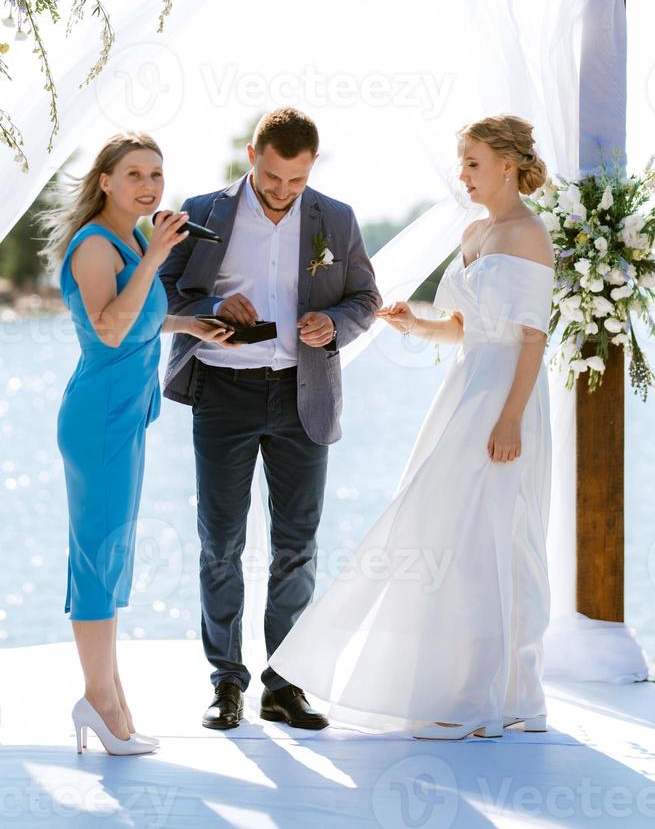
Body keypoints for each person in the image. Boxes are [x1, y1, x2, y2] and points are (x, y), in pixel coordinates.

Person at [269, 114, 555, 740]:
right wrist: (414, 324)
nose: (464, 175)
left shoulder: (530, 234)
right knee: (442, 527)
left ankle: (494, 692)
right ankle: (455, 684)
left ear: (507, 164)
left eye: (473, 163)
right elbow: (461, 325)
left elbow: (532, 337)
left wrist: (510, 419)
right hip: (464, 387)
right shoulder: (476, 233)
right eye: (464, 163)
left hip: (505, 396)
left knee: (492, 535)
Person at [160, 107, 382, 731]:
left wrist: (331, 324)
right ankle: (225, 683)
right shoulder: (203, 211)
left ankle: (284, 686)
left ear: (312, 167)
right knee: (220, 542)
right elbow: (159, 292)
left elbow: (365, 298)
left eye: (297, 181)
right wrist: (209, 305)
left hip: (301, 396)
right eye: (274, 176)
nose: (283, 192)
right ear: (253, 153)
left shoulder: (335, 218)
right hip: (222, 392)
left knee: (297, 547)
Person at [41, 132, 234, 755]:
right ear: (106, 180)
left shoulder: (129, 239)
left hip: (125, 417)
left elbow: (139, 319)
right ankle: (101, 704)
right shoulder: (96, 245)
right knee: (96, 560)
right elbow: (108, 328)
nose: (149, 186)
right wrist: (154, 258)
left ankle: (112, 701)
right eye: (134, 175)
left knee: (108, 556)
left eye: (156, 174)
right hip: (98, 418)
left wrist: (187, 323)